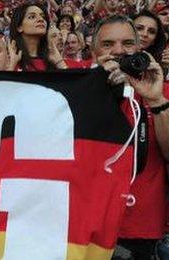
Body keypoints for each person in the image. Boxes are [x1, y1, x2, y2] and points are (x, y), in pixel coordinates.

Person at [92, 15, 169, 260]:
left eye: (127, 43)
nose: (118, 51)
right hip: (86, 221)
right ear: (93, 50)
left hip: (140, 226)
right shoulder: (77, 89)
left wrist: (156, 101)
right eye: (107, 44)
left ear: (138, 48)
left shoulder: (160, 91)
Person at [9, 3, 67, 71]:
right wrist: (11, 65)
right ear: (19, 27)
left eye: (43, 17)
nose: (41, 19)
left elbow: (71, 81)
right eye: (32, 17)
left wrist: (59, 62)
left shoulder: (53, 59)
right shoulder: (10, 60)